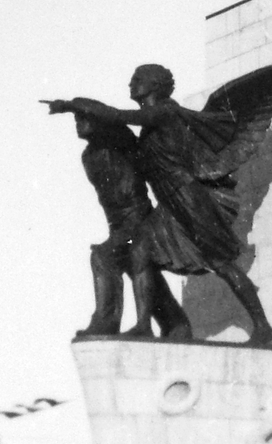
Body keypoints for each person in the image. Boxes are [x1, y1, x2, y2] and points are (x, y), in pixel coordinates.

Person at [48, 65, 272, 347]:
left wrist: (71, 105)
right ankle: (144, 324)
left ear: (156, 86)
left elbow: (119, 116)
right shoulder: (149, 125)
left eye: (138, 80)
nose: (131, 84)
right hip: (170, 202)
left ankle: (263, 326)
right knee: (140, 249)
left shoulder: (165, 112)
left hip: (189, 199)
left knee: (221, 263)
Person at [58, 109, 191, 340]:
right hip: (118, 224)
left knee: (121, 256)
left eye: (84, 117)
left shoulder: (122, 141)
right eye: (76, 118)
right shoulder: (89, 156)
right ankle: (170, 322)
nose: (78, 122)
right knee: (112, 258)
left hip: (140, 219)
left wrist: (74, 104)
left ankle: (140, 324)